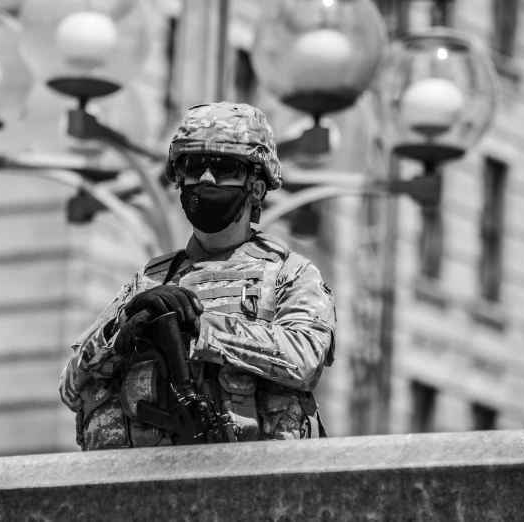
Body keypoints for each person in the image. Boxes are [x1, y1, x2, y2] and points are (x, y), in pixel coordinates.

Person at [59, 102, 336, 450]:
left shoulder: (289, 274)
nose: (205, 179)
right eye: (193, 166)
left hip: (251, 479)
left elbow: (304, 360)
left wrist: (200, 329)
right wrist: (123, 325)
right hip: (137, 485)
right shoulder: (150, 279)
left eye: (223, 168)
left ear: (256, 187)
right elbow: (70, 387)